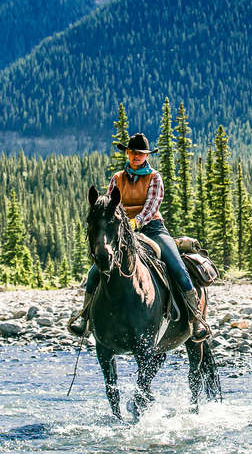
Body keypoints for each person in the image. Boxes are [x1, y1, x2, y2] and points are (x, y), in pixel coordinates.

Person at [69, 132, 208, 341]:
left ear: (146, 156)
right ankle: (86, 319)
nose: (137, 157)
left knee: (177, 266)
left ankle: (195, 319)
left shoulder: (154, 177)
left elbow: (153, 205)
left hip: (152, 228)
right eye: (133, 153)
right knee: (94, 272)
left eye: (141, 154)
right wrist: (122, 225)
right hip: (122, 230)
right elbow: (109, 206)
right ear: (127, 153)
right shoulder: (117, 178)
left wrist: (137, 221)